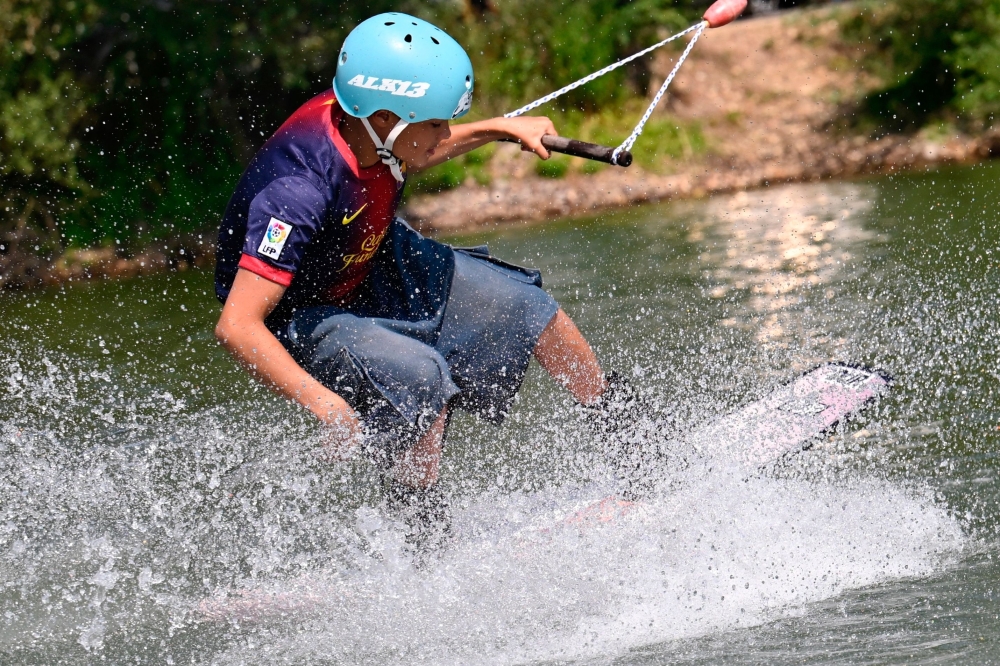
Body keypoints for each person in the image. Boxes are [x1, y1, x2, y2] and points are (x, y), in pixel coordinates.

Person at [214, 12, 644, 551]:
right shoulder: (296, 191)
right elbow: (237, 324)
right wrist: (324, 404)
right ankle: (420, 535)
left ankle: (629, 437)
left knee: (524, 304)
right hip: (306, 313)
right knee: (421, 378)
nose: (443, 136)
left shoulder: (372, 125)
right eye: (436, 124)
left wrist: (499, 127)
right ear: (387, 118)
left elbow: (417, 146)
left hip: (368, 255)